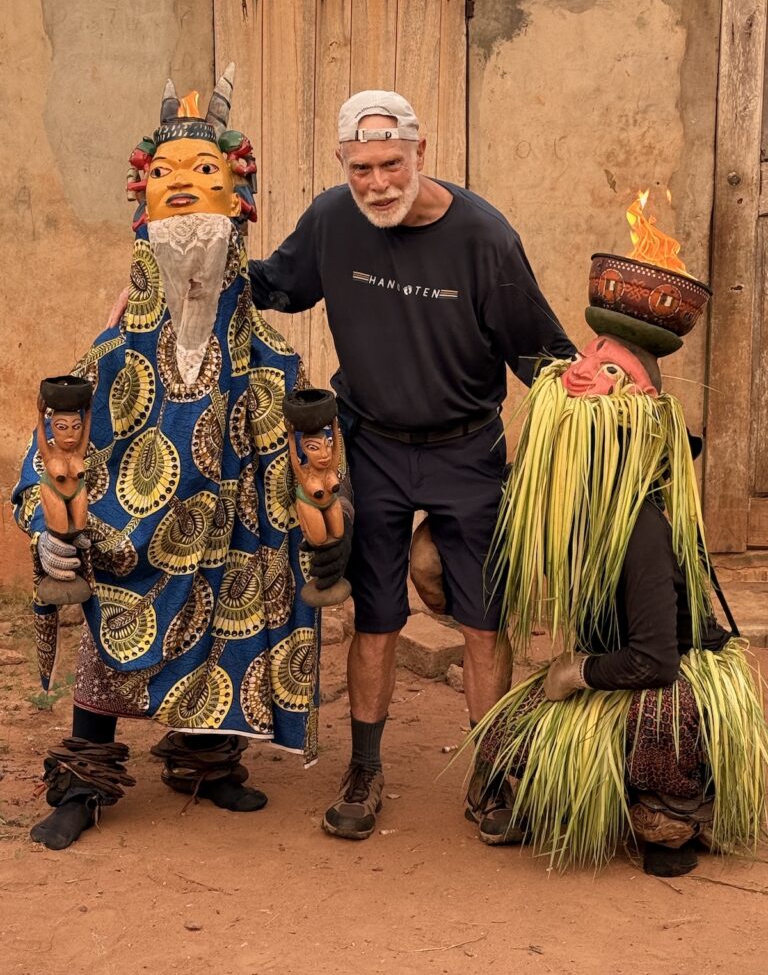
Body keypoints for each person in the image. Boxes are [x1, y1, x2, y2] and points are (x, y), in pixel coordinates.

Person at [13, 65, 333, 850]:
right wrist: (53, 521)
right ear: (143, 203)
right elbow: (55, 450)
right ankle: (85, 779)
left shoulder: (266, 356)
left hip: (225, 525)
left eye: (204, 171)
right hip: (137, 528)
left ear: (237, 200)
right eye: (163, 175)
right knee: (108, 618)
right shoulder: (111, 354)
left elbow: (307, 446)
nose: (182, 185)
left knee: (238, 600)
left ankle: (206, 758)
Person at [246, 90, 576, 839]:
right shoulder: (333, 220)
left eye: (391, 162)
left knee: (485, 624)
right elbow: (273, 284)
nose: (377, 182)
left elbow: (543, 355)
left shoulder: (484, 237)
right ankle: (364, 769)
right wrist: (182, 274)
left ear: (420, 154)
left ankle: (490, 775)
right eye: (360, 166)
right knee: (376, 618)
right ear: (343, 164)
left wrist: (605, 396)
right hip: (371, 445)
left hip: (468, 449)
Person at [468, 285, 768, 876]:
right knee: (507, 735)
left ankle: (671, 813)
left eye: (607, 369)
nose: (579, 374)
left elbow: (655, 660)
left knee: (661, 723)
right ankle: (568, 796)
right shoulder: (566, 510)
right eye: (585, 356)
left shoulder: (641, 528)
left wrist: (574, 671)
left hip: (666, 676)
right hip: (614, 671)